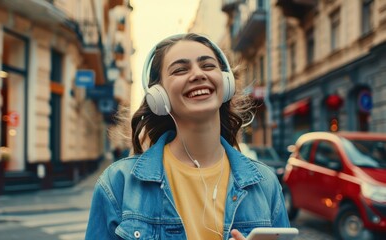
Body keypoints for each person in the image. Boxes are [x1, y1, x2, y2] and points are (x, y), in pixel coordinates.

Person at [85, 33, 290, 240]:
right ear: (158, 95)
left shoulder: (265, 184)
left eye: (208, 66)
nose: (198, 74)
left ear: (226, 82)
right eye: (180, 70)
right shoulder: (118, 183)